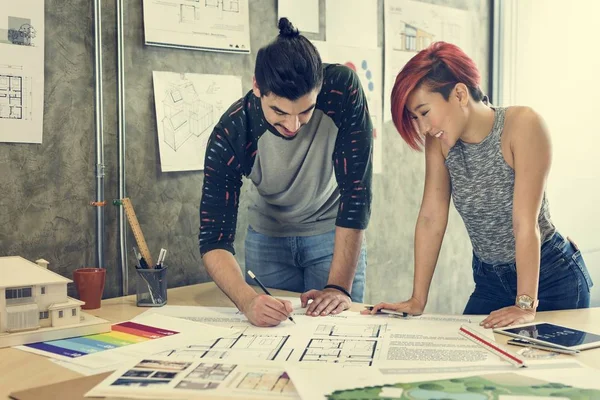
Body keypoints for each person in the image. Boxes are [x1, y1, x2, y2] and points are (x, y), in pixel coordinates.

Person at [364, 41, 593, 328]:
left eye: (424, 112)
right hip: (490, 280)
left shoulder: (523, 125)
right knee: (468, 357)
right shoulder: (439, 142)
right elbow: (431, 218)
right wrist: (417, 300)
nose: (422, 128)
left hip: (550, 278)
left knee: (545, 370)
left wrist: (524, 304)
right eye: (414, 118)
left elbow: (525, 224)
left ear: (459, 94)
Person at [199, 18, 373, 327]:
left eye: (305, 111)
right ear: (257, 87)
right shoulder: (232, 132)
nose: (293, 126)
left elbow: (356, 191)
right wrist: (247, 300)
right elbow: (214, 239)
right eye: (279, 112)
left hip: (332, 235)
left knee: (338, 334)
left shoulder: (343, 89)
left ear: (319, 90)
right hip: (268, 240)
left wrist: (337, 287)